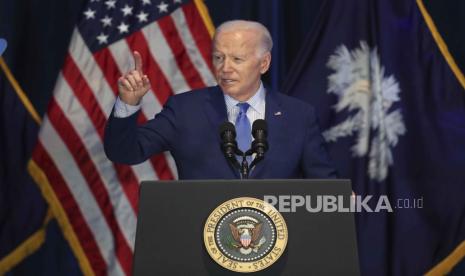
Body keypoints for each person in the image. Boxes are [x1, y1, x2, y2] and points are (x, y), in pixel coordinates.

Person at [104, 20, 337, 179]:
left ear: (264, 63)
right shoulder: (185, 110)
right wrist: (128, 104)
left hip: (277, 243)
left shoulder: (298, 115)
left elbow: (323, 183)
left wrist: (338, 198)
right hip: (202, 243)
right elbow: (124, 152)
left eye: (237, 59)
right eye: (218, 57)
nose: (225, 68)